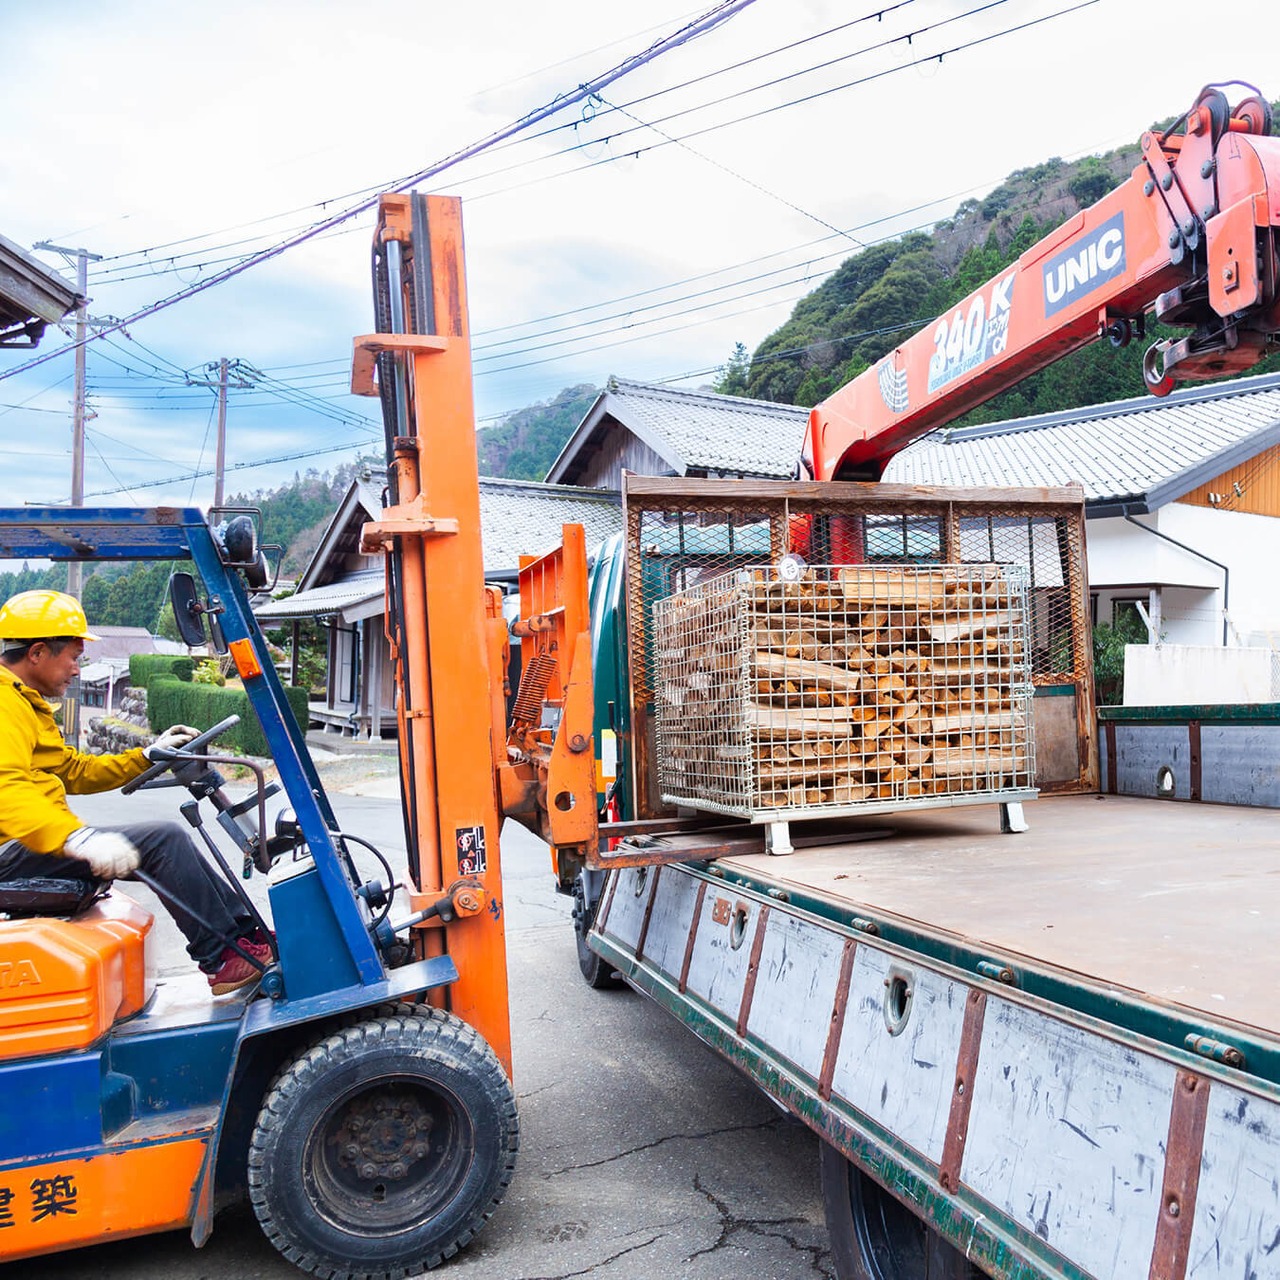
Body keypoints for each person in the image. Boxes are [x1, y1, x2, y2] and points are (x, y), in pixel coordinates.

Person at [0, 589, 271, 995]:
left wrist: (146, 754)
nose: (77, 669)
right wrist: (75, 837)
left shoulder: (24, 702)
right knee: (163, 840)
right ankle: (223, 957)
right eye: (73, 657)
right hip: (11, 852)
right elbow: (6, 788)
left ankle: (251, 942)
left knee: (166, 838)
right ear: (37, 652)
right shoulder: (5, 702)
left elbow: (73, 770)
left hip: (26, 845)